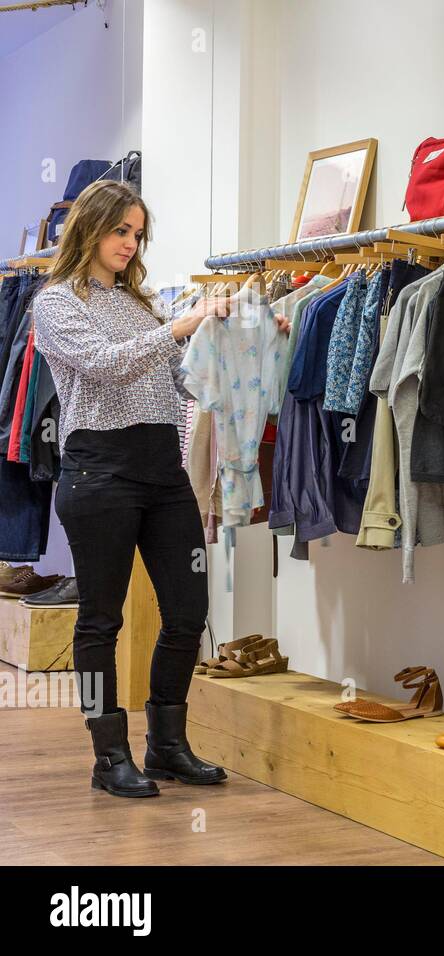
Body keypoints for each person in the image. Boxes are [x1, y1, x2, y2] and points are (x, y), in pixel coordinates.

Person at [32, 180, 284, 798]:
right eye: (120, 230)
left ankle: (167, 744)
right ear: (90, 228)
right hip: (98, 470)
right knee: (99, 620)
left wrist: (248, 339)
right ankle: (108, 753)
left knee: (188, 612)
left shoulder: (140, 303)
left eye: (137, 233)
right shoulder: (57, 302)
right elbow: (104, 364)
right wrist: (180, 325)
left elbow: (185, 383)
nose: (129, 243)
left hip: (162, 473)